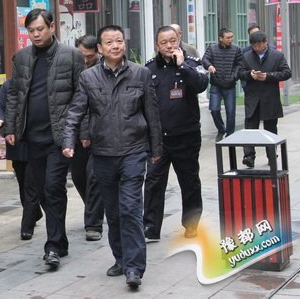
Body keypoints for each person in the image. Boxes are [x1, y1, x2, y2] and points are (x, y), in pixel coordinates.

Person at [63, 25, 162, 289]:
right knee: (114, 212)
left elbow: (152, 113)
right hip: (103, 154)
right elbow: (76, 111)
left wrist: (156, 149)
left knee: (130, 209)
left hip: (133, 151)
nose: (115, 46)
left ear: (124, 44)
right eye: (109, 42)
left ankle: (134, 267)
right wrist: (68, 141)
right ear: (100, 48)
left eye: (119, 41)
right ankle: (121, 258)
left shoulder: (140, 74)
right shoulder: (88, 77)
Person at [4, 8, 84, 269]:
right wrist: (11, 128)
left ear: (52, 27)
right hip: (31, 137)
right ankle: (60, 241)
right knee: (41, 192)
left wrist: (81, 133)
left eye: (40, 29)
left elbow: (82, 95)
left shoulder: (71, 55)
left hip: (59, 137)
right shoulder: (22, 57)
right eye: (31, 31)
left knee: (53, 187)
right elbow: (15, 94)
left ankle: (53, 246)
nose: (36, 34)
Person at [143, 26, 207, 242]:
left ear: (179, 40)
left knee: (189, 181)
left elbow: (201, 85)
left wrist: (183, 66)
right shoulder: (149, 69)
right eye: (164, 42)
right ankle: (150, 227)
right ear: (157, 45)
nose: (169, 46)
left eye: (173, 41)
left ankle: (191, 224)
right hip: (158, 139)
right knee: (153, 182)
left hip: (186, 136)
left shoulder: (192, 63)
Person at [0, 78, 43, 240]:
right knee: (22, 181)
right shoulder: (9, 85)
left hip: (36, 139)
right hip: (15, 140)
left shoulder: (39, 83)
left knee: (31, 184)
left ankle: (27, 225)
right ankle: (35, 212)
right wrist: (2, 122)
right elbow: (0, 106)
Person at [237, 31, 292, 168]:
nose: (257, 48)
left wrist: (269, 76)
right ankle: (249, 156)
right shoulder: (246, 56)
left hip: (270, 97)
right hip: (253, 97)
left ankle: (271, 155)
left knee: (270, 128)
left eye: (259, 45)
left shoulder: (277, 56)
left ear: (265, 42)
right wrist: (250, 74)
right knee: (250, 128)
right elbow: (239, 73)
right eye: (254, 46)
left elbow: (286, 73)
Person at [71, 34, 105, 241]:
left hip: (97, 133)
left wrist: (86, 133)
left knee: (94, 177)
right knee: (78, 176)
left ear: (98, 52)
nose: (85, 59)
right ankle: (93, 207)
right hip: (75, 133)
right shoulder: (72, 67)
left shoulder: (102, 72)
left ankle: (93, 223)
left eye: (89, 56)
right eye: (81, 55)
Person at [202, 28, 243, 142]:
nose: (230, 39)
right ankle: (221, 129)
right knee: (214, 109)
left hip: (230, 85)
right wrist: (209, 66)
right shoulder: (212, 48)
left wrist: (234, 76)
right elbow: (204, 59)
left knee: (231, 112)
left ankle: (230, 134)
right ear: (221, 38)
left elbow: (240, 65)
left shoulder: (236, 49)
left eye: (231, 37)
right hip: (216, 84)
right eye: (228, 37)